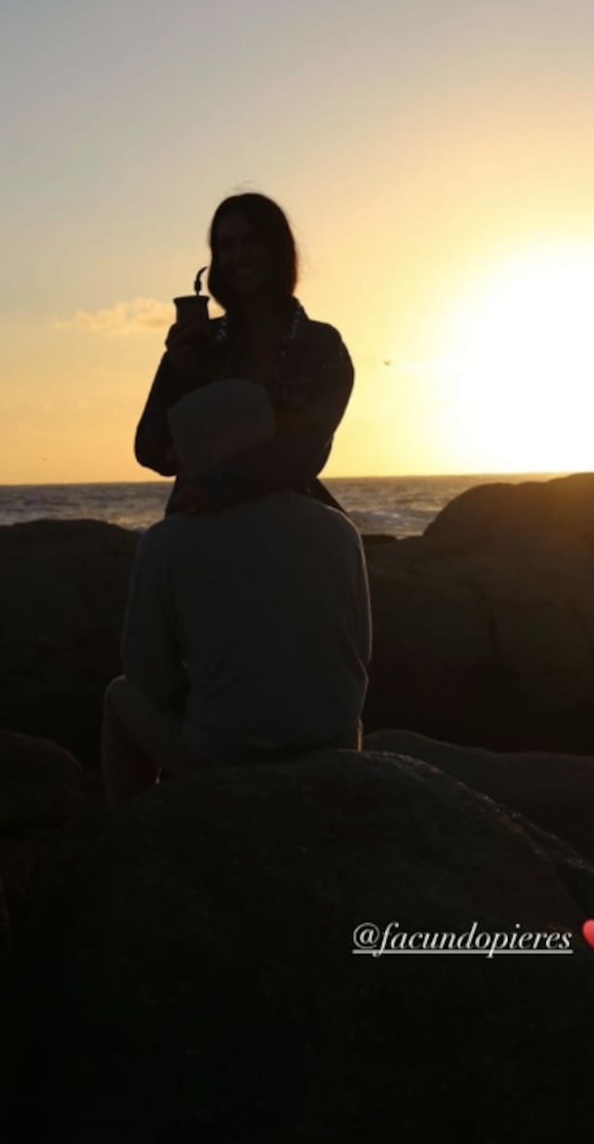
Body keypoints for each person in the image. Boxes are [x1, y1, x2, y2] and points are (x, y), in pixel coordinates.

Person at [102, 379, 371, 806]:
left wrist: (203, 694)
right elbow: (360, 652)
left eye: (183, 444)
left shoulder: (168, 541)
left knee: (121, 695)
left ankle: (132, 829)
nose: (172, 458)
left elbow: (146, 673)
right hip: (335, 746)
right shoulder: (339, 529)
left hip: (228, 757)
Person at [134, 193, 354, 519]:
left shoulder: (320, 345)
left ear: (279, 250)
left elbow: (305, 449)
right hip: (200, 521)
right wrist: (179, 374)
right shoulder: (199, 343)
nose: (239, 255)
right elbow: (150, 450)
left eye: (252, 241)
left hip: (287, 520)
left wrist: (219, 487)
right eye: (227, 246)